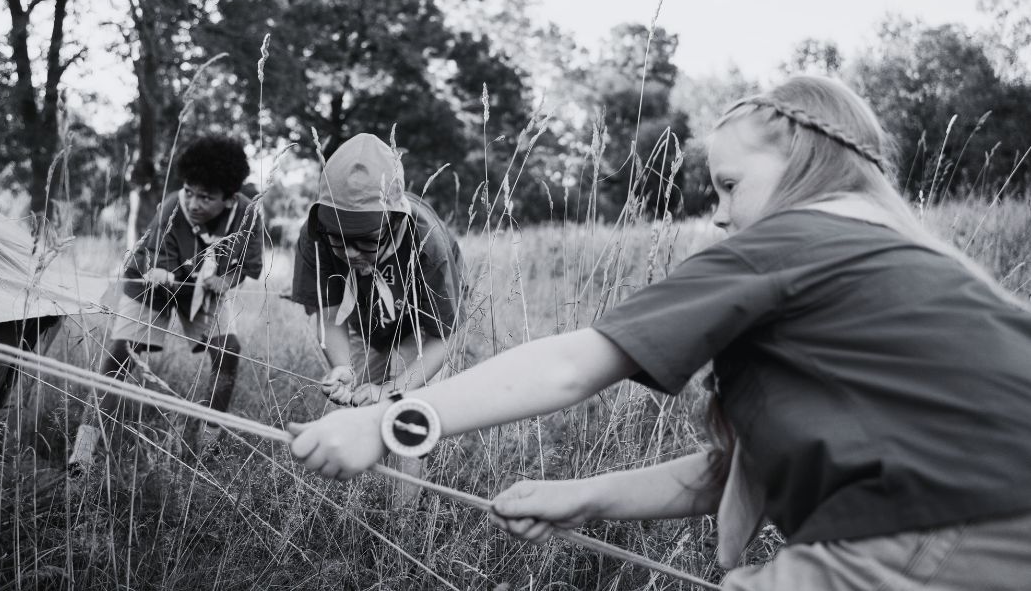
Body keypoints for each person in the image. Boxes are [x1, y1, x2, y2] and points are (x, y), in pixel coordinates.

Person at [287, 77, 1031, 589]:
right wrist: (585, 495)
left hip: (936, 531)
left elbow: (570, 366)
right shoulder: (908, 273)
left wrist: (389, 422)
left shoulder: (795, 238)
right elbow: (725, 472)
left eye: (729, 185)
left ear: (805, 162)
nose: (717, 214)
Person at [71, 134, 263, 468]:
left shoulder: (247, 216)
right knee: (119, 356)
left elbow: (249, 265)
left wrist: (227, 279)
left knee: (228, 352)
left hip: (205, 293)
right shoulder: (174, 204)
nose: (193, 202)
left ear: (230, 199)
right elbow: (156, 254)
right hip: (153, 286)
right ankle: (82, 453)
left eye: (206, 197)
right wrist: (158, 269)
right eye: (189, 191)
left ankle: (208, 445)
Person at [291, 133, 464, 407]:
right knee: (352, 412)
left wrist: (393, 389)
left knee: (404, 414)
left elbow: (443, 338)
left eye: (366, 241)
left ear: (394, 222)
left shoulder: (429, 244)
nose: (350, 253)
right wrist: (343, 367)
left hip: (421, 329)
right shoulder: (316, 235)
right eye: (339, 239)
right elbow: (330, 315)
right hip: (366, 325)